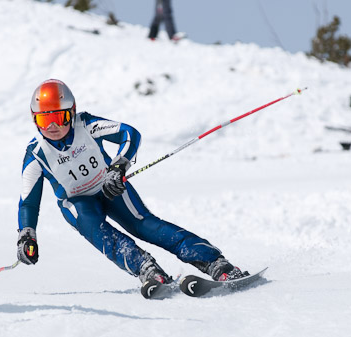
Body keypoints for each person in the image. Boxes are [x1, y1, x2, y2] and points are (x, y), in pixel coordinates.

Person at [16, 79, 247, 294]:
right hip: (78, 201)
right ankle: (147, 269)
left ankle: (215, 263)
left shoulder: (86, 125)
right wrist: (27, 235)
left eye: (59, 117)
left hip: (110, 187)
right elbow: (28, 201)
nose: (53, 126)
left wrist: (118, 167)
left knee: (145, 225)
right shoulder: (36, 154)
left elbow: (129, 133)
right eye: (44, 119)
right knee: (92, 227)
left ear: (72, 112)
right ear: (34, 119)